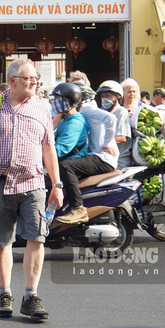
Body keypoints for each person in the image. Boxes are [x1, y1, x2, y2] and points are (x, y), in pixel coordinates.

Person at [0, 59, 63, 322]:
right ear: (12, 81)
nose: (35, 82)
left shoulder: (43, 107)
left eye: (36, 77)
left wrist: (57, 184)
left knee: (37, 237)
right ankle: (4, 293)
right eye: (29, 77)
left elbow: (48, 148)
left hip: (33, 183)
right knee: (2, 241)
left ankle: (31, 296)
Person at [56, 84, 119, 225]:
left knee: (66, 166)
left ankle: (78, 208)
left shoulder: (87, 109)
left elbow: (111, 119)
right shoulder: (74, 115)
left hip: (103, 158)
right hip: (95, 155)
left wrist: (107, 143)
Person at [51, 83, 89, 162]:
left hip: (70, 164)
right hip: (60, 162)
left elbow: (61, 150)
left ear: (68, 100)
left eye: (57, 98)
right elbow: (51, 140)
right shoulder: (64, 120)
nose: (54, 101)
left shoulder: (75, 123)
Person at [98, 81, 132, 169]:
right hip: (107, 158)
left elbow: (122, 137)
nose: (104, 99)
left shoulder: (121, 112)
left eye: (107, 96)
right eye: (102, 96)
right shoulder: (103, 113)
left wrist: (102, 143)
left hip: (119, 161)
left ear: (117, 96)